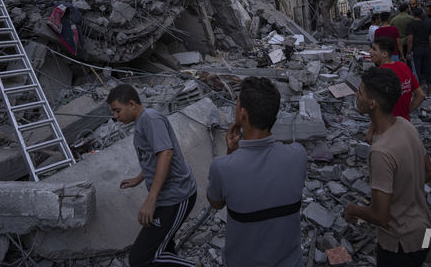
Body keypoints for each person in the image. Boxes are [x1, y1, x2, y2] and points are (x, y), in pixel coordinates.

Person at [206, 77, 306, 267]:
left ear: (243, 114)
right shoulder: (298, 154)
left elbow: (216, 203)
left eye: (237, 104)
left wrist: (230, 153)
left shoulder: (222, 167)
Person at [344, 67, 431, 267]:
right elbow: (429, 172)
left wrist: (353, 209)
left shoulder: (381, 152)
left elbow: (380, 216)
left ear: (372, 103)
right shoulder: (405, 125)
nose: (356, 96)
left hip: (400, 243)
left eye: (360, 92)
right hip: (423, 227)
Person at [107, 84, 198, 267]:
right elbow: (153, 157)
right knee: (163, 246)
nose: (115, 116)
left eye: (117, 110)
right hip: (166, 197)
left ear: (132, 104)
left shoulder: (150, 119)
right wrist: (139, 178)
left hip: (176, 197)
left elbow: (165, 154)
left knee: (141, 259)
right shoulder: (142, 122)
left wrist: (151, 199)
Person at [370, 37, 426, 121]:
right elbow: (421, 95)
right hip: (404, 122)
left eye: (374, 49)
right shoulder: (404, 67)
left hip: (386, 125)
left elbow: (373, 104)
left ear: (384, 54)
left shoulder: (379, 73)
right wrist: (405, 112)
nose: (370, 51)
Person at [407, 7, 431, 95]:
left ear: (412, 14)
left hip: (416, 49)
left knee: (417, 69)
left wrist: (408, 51)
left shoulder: (411, 24)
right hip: (426, 48)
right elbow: (430, 38)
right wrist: (429, 48)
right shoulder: (427, 24)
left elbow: (410, 39)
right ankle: (429, 89)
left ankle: (419, 90)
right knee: (427, 68)